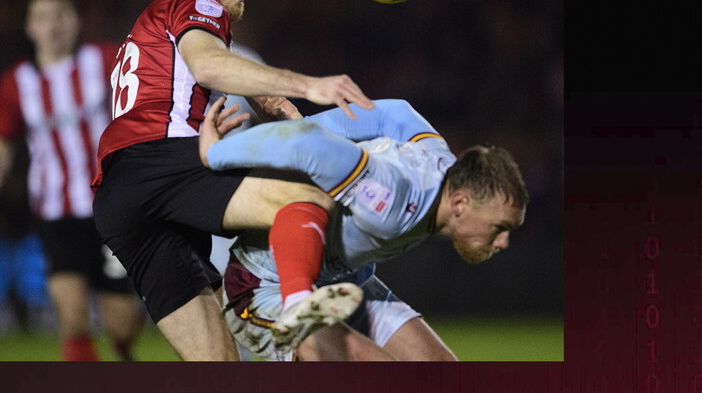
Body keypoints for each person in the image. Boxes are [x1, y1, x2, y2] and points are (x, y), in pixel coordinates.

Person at [91, 0, 376, 361]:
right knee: (307, 203)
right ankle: (295, 304)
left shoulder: (151, 25)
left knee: (219, 364)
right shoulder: (194, 1)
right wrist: (311, 85)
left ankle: (280, 314)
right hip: (164, 163)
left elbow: (245, 86)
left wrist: (292, 115)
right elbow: (209, 66)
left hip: (119, 195)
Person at [197, 97, 529, 361]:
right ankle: (299, 304)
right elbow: (304, 143)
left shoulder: (440, 162)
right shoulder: (389, 197)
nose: (503, 242)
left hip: (341, 283)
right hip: (263, 288)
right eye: (499, 227)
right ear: (460, 203)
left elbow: (394, 113)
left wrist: (315, 125)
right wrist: (216, 153)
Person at [0, 0, 147, 361]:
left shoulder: (104, 60)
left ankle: (125, 341)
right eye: (42, 17)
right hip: (55, 212)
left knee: (120, 324)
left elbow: (140, 105)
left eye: (60, 15)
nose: (52, 25)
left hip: (109, 208)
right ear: (29, 27)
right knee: (71, 318)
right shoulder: (16, 83)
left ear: (76, 21)